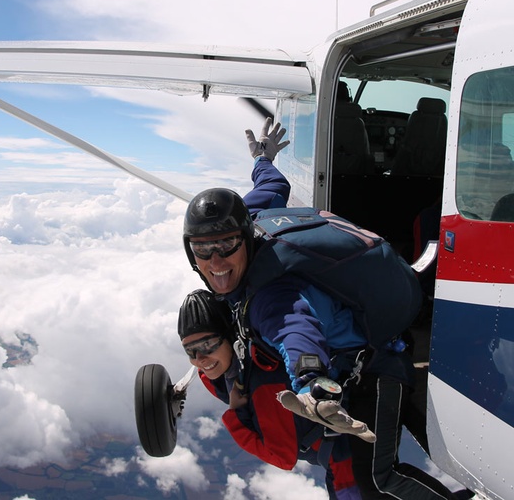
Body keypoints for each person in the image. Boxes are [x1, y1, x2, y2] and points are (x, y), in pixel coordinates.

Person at [181, 119, 470, 499]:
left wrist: (311, 383)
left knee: (379, 479)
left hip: (379, 364)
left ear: (245, 238)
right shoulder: (250, 215)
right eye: (202, 249)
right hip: (363, 351)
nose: (216, 260)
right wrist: (263, 160)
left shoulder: (268, 295)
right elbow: (273, 187)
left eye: (226, 245)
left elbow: (295, 330)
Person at [178, 289, 362, 500]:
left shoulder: (266, 388)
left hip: (346, 465)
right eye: (190, 350)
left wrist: (236, 418)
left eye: (207, 345)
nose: (200, 359)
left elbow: (282, 457)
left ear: (229, 335)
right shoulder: (229, 366)